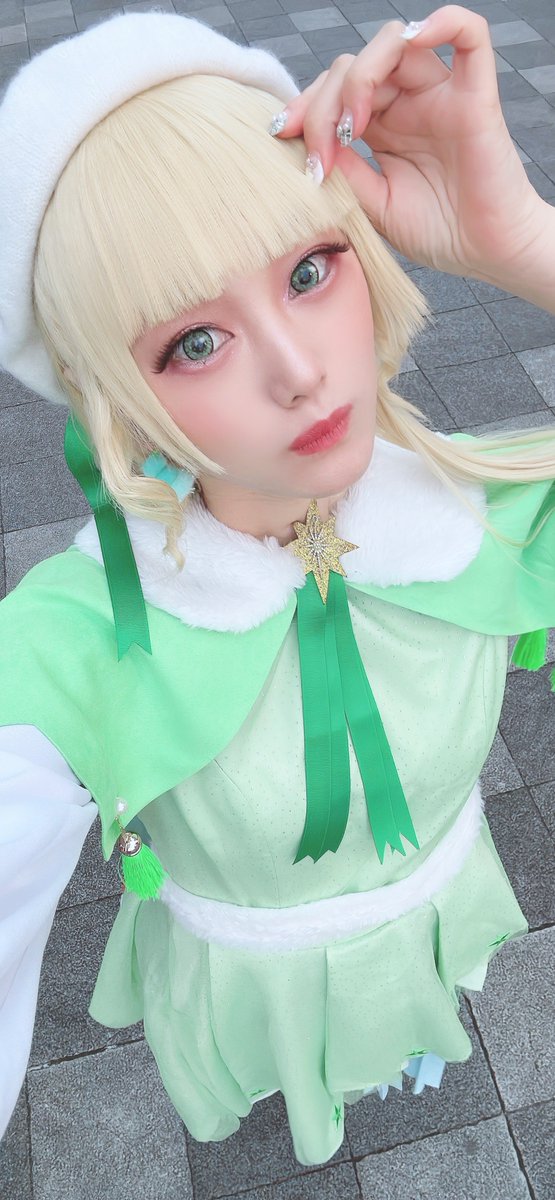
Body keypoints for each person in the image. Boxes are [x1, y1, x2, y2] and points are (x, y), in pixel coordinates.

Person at [0, 3, 554, 1170]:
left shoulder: (485, 521)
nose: (301, 372)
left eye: (311, 268)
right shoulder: (68, 645)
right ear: (111, 393)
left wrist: (522, 238)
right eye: (193, 343)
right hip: (244, 988)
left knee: (411, 1036)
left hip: (427, 923)